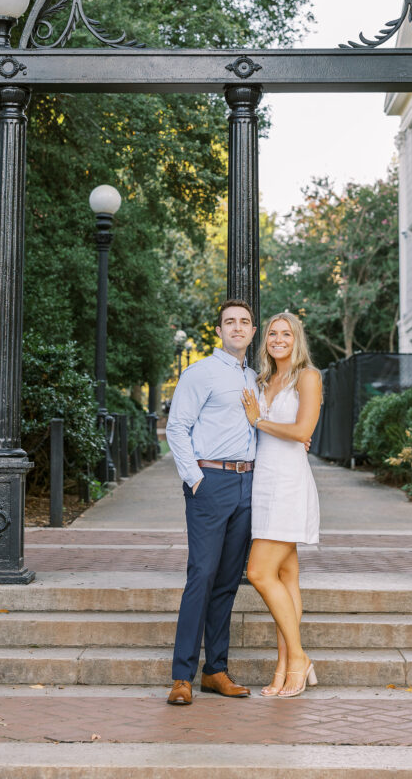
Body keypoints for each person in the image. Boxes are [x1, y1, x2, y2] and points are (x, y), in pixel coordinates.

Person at [165, 300, 258, 706]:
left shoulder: (255, 377)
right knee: (201, 576)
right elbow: (177, 427)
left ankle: (215, 671)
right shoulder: (199, 373)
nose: (237, 328)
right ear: (218, 330)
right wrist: (196, 479)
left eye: (244, 322)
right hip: (211, 481)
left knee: (226, 582)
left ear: (252, 331)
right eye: (230, 322)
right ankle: (181, 676)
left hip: (247, 484)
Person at [241, 311, 322, 698]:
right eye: (272, 333)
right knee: (286, 579)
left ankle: (300, 658)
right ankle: (282, 669)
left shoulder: (308, 377)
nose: (277, 339)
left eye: (285, 333)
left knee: (258, 571)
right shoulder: (261, 380)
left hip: (289, 484)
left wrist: (260, 422)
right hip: (263, 482)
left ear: (296, 339)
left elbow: (303, 431)